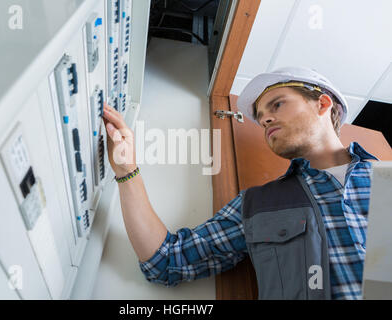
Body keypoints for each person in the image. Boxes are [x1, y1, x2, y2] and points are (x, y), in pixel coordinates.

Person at [101, 66, 379, 300]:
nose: (265, 119)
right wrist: (127, 171)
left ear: (322, 103)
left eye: (277, 104)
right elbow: (165, 262)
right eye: (260, 118)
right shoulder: (257, 206)